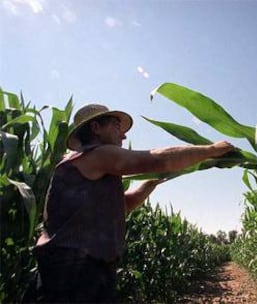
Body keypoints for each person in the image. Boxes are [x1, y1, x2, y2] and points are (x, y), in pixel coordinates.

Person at [29, 103, 234, 302]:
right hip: (72, 273)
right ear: (96, 127)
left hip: (84, 269)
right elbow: (157, 159)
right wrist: (211, 150)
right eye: (116, 126)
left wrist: (147, 186)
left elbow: (121, 207)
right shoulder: (95, 154)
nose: (124, 134)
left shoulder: (91, 165)